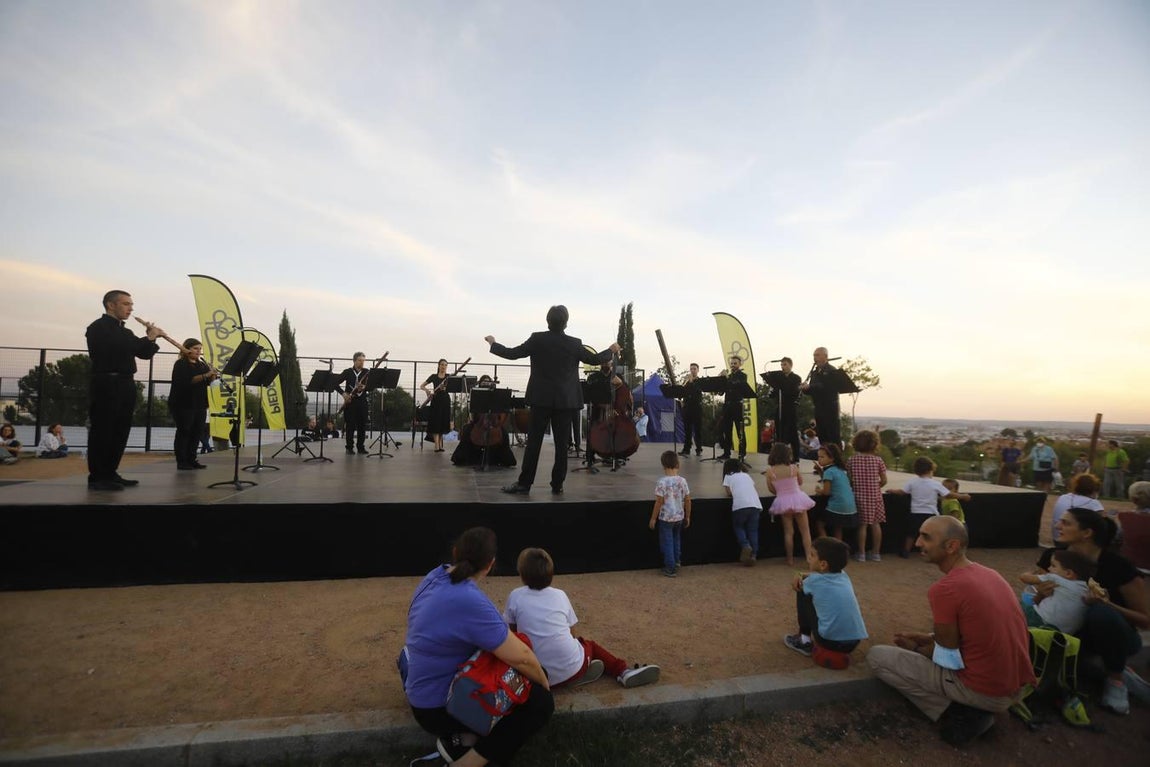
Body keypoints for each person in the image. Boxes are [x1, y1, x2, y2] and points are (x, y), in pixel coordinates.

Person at [867, 516, 1036, 746]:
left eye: (926, 537)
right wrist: (930, 638)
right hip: (1013, 685)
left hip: (986, 691)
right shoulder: (990, 574)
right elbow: (976, 633)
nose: (917, 543)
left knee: (877, 657)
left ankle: (960, 713)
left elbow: (947, 658)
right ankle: (972, 708)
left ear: (951, 546)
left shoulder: (945, 589)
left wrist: (916, 648)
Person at [403, 527, 553, 765]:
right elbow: (522, 657)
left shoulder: (434, 576)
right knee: (539, 702)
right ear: (490, 564)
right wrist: (544, 683)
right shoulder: (471, 601)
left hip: (420, 691)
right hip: (438, 709)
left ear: (455, 552)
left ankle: (462, 742)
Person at [485, 306, 619, 495]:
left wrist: (493, 343)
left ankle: (524, 484)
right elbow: (594, 359)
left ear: (547, 321)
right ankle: (557, 484)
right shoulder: (574, 343)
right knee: (562, 446)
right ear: (566, 323)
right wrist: (611, 350)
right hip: (565, 401)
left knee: (533, 444)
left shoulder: (537, 339)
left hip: (540, 399)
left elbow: (512, 353)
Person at [1040, 508, 1150, 714]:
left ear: (1087, 533)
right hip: (1070, 634)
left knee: (1100, 613)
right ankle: (1108, 667)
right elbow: (1035, 599)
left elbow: (1145, 620)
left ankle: (1116, 680)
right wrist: (1040, 594)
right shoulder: (1053, 557)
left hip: (1116, 634)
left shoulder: (1118, 567)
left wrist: (1108, 604)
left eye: (1066, 523)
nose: (1057, 525)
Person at [503, 548, 660, 689]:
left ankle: (579, 671)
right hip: (569, 670)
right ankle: (622, 671)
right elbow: (572, 633)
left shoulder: (515, 596)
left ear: (522, 575)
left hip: (532, 676)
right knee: (589, 645)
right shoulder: (560, 595)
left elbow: (513, 633)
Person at [85, 290, 161, 491]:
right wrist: (149, 336)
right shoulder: (98, 328)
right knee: (103, 429)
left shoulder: (125, 332)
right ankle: (98, 477)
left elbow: (143, 353)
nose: (130, 309)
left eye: (131, 304)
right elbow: (121, 347)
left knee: (120, 430)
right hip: (106, 383)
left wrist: (151, 339)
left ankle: (110, 472)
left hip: (126, 383)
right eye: (126, 304)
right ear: (111, 305)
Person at [784, 537, 868, 660]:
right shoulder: (844, 575)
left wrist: (799, 575)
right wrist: (801, 574)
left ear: (823, 564)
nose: (809, 558)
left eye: (812, 555)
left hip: (829, 642)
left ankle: (804, 640)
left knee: (802, 590)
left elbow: (806, 580)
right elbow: (817, 576)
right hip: (853, 643)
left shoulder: (812, 582)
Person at [888, 457, 970, 559]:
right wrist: (963, 496)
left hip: (916, 512)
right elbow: (948, 494)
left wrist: (892, 490)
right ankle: (930, 551)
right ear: (930, 470)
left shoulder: (912, 482)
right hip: (931, 513)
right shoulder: (935, 483)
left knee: (911, 533)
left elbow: (902, 492)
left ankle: (906, 551)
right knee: (931, 535)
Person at [1019, 549, 1095, 635]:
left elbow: (1024, 578)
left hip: (1040, 620)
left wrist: (1030, 572)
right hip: (1062, 633)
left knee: (1017, 606)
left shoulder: (1056, 579)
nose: (1049, 568)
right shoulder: (1085, 588)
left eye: (1053, 566)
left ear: (1068, 573)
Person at [169, 338, 217, 470]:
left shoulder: (201, 364)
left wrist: (213, 374)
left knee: (197, 432)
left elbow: (209, 382)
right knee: (184, 431)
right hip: (183, 403)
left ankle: (192, 459)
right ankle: (182, 461)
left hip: (200, 403)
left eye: (200, 349)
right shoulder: (181, 364)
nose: (198, 351)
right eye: (195, 348)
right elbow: (188, 381)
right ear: (187, 349)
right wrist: (207, 374)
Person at [765, 443, 814, 567]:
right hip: (798, 499)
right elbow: (800, 482)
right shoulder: (793, 468)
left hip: (783, 501)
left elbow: (771, 488)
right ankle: (809, 557)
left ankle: (790, 559)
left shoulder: (770, 471)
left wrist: (781, 492)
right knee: (805, 531)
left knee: (788, 532)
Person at [452, 376, 517, 468]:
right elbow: (474, 416)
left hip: (493, 424)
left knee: (504, 434)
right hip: (479, 424)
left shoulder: (496, 397)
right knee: (467, 430)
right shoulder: (476, 395)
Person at [800, 347, 855, 449]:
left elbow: (826, 387)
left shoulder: (831, 371)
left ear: (825, 356)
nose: (815, 358)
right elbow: (813, 390)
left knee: (833, 437)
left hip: (830, 409)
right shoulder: (815, 372)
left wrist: (810, 387)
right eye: (814, 355)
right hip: (818, 408)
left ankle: (836, 457)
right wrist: (804, 389)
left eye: (817, 355)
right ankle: (825, 457)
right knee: (822, 436)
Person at [649, 450, 691, 577]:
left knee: (667, 541)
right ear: (677, 464)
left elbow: (659, 502)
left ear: (663, 465)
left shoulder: (661, 482)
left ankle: (670, 567)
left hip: (666, 518)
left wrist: (653, 518)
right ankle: (677, 561)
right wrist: (688, 516)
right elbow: (688, 499)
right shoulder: (682, 481)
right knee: (676, 539)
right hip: (679, 516)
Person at [847, 430, 887, 563]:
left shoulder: (852, 460)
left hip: (858, 496)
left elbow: (849, 479)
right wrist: (875, 486)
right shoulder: (878, 460)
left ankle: (861, 554)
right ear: (874, 444)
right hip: (875, 496)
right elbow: (884, 480)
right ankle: (876, 553)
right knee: (875, 524)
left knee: (862, 525)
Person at [723, 458, 762, 566]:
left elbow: (729, 492)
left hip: (740, 505)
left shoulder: (728, 476)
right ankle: (754, 555)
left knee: (738, 527)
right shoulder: (746, 475)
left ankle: (745, 545)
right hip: (755, 505)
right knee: (753, 530)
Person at [814, 444, 857, 542]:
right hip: (851, 507)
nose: (819, 459)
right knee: (837, 527)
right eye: (818, 457)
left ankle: (826, 545)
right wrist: (820, 471)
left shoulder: (829, 472)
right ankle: (838, 546)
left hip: (837, 507)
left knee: (820, 524)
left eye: (822, 457)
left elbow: (826, 492)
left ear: (832, 458)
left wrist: (818, 490)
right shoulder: (841, 470)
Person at [762, 357, 802, 463]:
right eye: (781, 365)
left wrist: (780, 385)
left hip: (790, 408)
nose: (782, 367)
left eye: (785, 365)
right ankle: (781, 457)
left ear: (790, 365)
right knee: (779, 432)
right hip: (780, 407)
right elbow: (774, 393)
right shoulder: (779, 379)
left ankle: (796, 458)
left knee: (792, 432)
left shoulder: (796, 378)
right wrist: (772, 390)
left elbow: (792, 391)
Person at [1049, 473, 1105, 543]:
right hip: (1076, 543)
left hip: (1058, 540)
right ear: (1093, 489)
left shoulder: (1063, 497)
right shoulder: (1093, 503)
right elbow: (1102, 525)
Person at [717, 355, 749, 460]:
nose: (733, 365)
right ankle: (726, 453)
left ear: (740, 364)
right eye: (731, 363)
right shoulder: (728, 376)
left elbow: (737, 385)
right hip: (727, 406)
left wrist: (726, 378)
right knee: (727, 430)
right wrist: (720, 380)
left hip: (737, 406)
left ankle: (742, 453)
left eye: (735, 363)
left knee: (740, 431)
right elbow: (721, 392)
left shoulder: (743, 376)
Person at [340, 353, 370, 455]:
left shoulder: (367, 372)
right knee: (350, 426)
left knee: (362, 426)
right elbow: (335, 383)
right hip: (350, 402)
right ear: (354, 361)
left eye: (363, 360)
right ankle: (349, 447)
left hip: (362, 402)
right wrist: (343, 394)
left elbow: (371, 386)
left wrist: (365, 387)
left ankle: (361, 447)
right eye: (360, 360)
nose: (362, 362)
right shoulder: (347, 372)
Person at [678, 362, 704, 457]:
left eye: (694, 369)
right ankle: (686, 449)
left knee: (697, 430)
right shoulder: (687, 381)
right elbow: (682, 392)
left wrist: (692, 382)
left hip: (696, 408)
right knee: (687, 430)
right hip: (687, 408)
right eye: (691, 369)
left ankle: (699, 449)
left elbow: (697, 393)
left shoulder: (700, 381)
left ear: (698, 370)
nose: (692, 371)